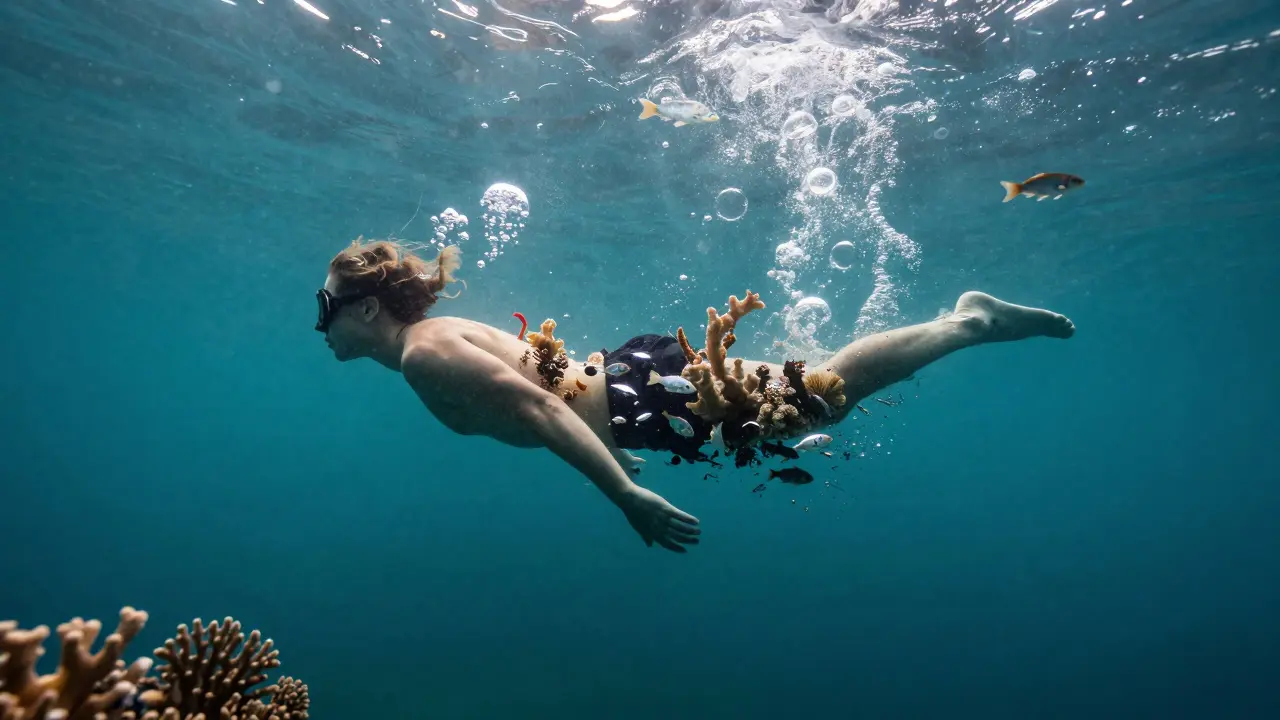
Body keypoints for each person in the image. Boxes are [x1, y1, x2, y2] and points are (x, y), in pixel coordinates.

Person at [317, 237, 1075, 553]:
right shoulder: (428, 346)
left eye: (326, 307)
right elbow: (544, 399)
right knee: (814, 398)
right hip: (632, 402)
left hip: (644, 398)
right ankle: (964, 324)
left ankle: (968, 322)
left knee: (823, 396)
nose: (320, 324)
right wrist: (609, 449)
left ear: (367, 306)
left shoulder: (426, 354)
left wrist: (622, 494)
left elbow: (540, 409)